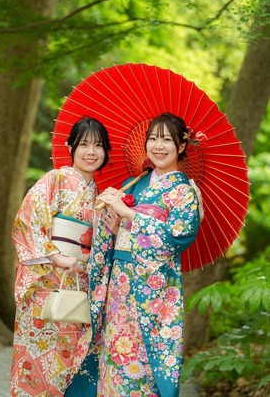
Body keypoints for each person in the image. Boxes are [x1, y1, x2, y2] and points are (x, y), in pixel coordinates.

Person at [86, 112, 202, 397]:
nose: (158, 146)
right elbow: (122, 232)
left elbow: (176, 237)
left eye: (166, 140)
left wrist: (128, 213)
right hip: (119, 282)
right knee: (114, 353)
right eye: (153, 139)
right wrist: (113, 225)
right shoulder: (137, 182)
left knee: (140, 358)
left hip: (152, 288)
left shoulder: (184, 192)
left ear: (182, 146)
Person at [10, 116, 111, 397]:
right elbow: (26, 221)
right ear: (70, 147)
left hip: (78, 282)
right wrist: (55, 256)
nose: (92, 152)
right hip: (46, 280)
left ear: (106, 152)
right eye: (84, 145)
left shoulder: (100, 196)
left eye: (99, 146)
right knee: (36, 359)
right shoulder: (55, 179)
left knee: (66, 363)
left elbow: (102, 243)